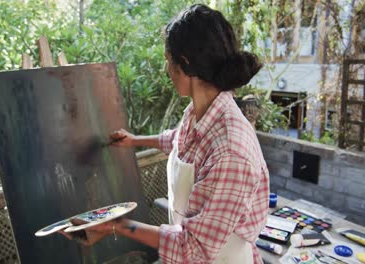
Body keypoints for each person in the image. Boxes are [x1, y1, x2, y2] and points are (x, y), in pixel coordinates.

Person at [60, 4, 269, 264]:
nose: (165, 70)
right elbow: (180, 142)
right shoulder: (201, 113)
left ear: (185, 65)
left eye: (167, 60)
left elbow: (192, 249)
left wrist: (116, 226)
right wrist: (135, 141)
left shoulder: (231, 152)